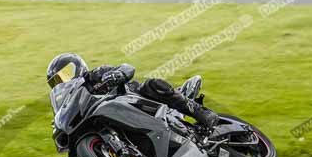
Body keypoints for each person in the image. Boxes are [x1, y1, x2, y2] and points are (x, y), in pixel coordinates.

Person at [46, 53, 219, 128]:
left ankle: (200, 112)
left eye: (65, 74)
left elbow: (127, 67)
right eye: (58, 80)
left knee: (153, 85)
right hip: (118, 119)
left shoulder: (95, 75)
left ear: (77, 66)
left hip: (138, 100)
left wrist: (117, 74)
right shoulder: (74, 103)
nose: (63, 81)